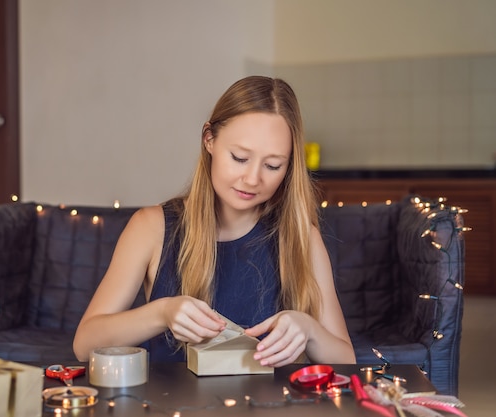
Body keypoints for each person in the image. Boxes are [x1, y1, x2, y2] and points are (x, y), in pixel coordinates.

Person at [73, 75, 355, 366]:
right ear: (209, 139)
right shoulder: (151, 227)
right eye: (240, 158)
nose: (253, 179)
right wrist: (162, 313)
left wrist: (309, 331)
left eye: (273, 165)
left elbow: (347, 361)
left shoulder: (301, 237)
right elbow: (85, 345)